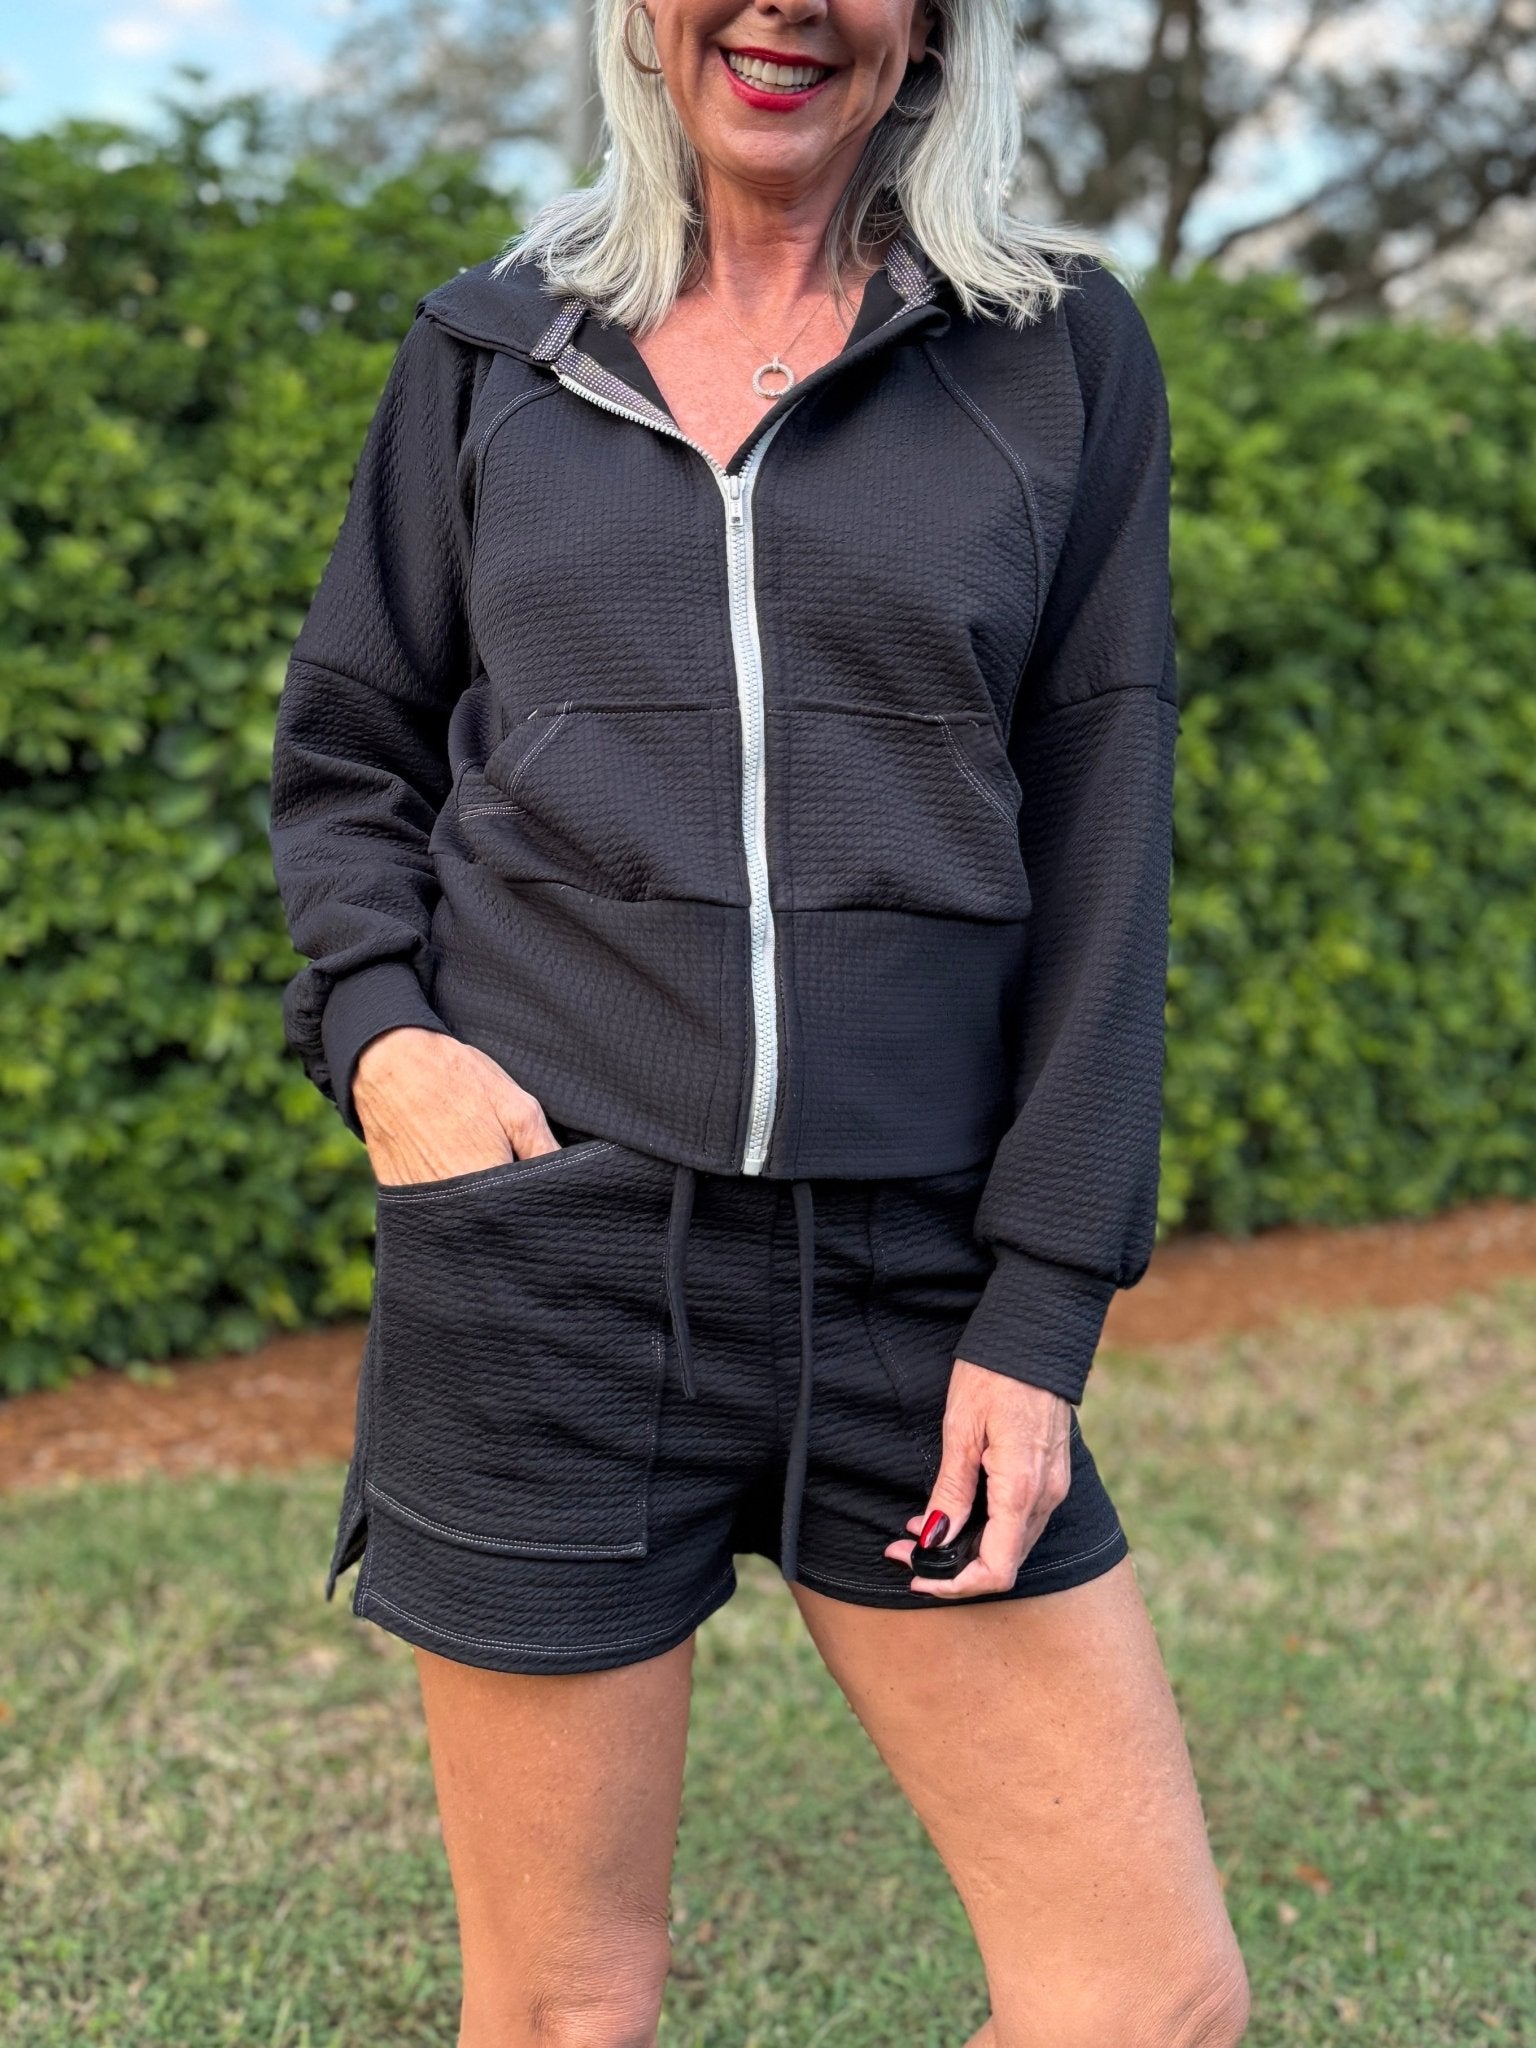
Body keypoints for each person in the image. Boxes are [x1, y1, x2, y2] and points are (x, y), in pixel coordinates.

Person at [267, 0, 1251, 2037]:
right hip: (545, 1260)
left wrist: (1041, 1304)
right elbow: (352, 742)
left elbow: (1106, 832)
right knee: (562, 2010)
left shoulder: (1056, 351)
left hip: (915, 1286)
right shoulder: (492, 350)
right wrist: (384, 1041)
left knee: (1144, 1999)